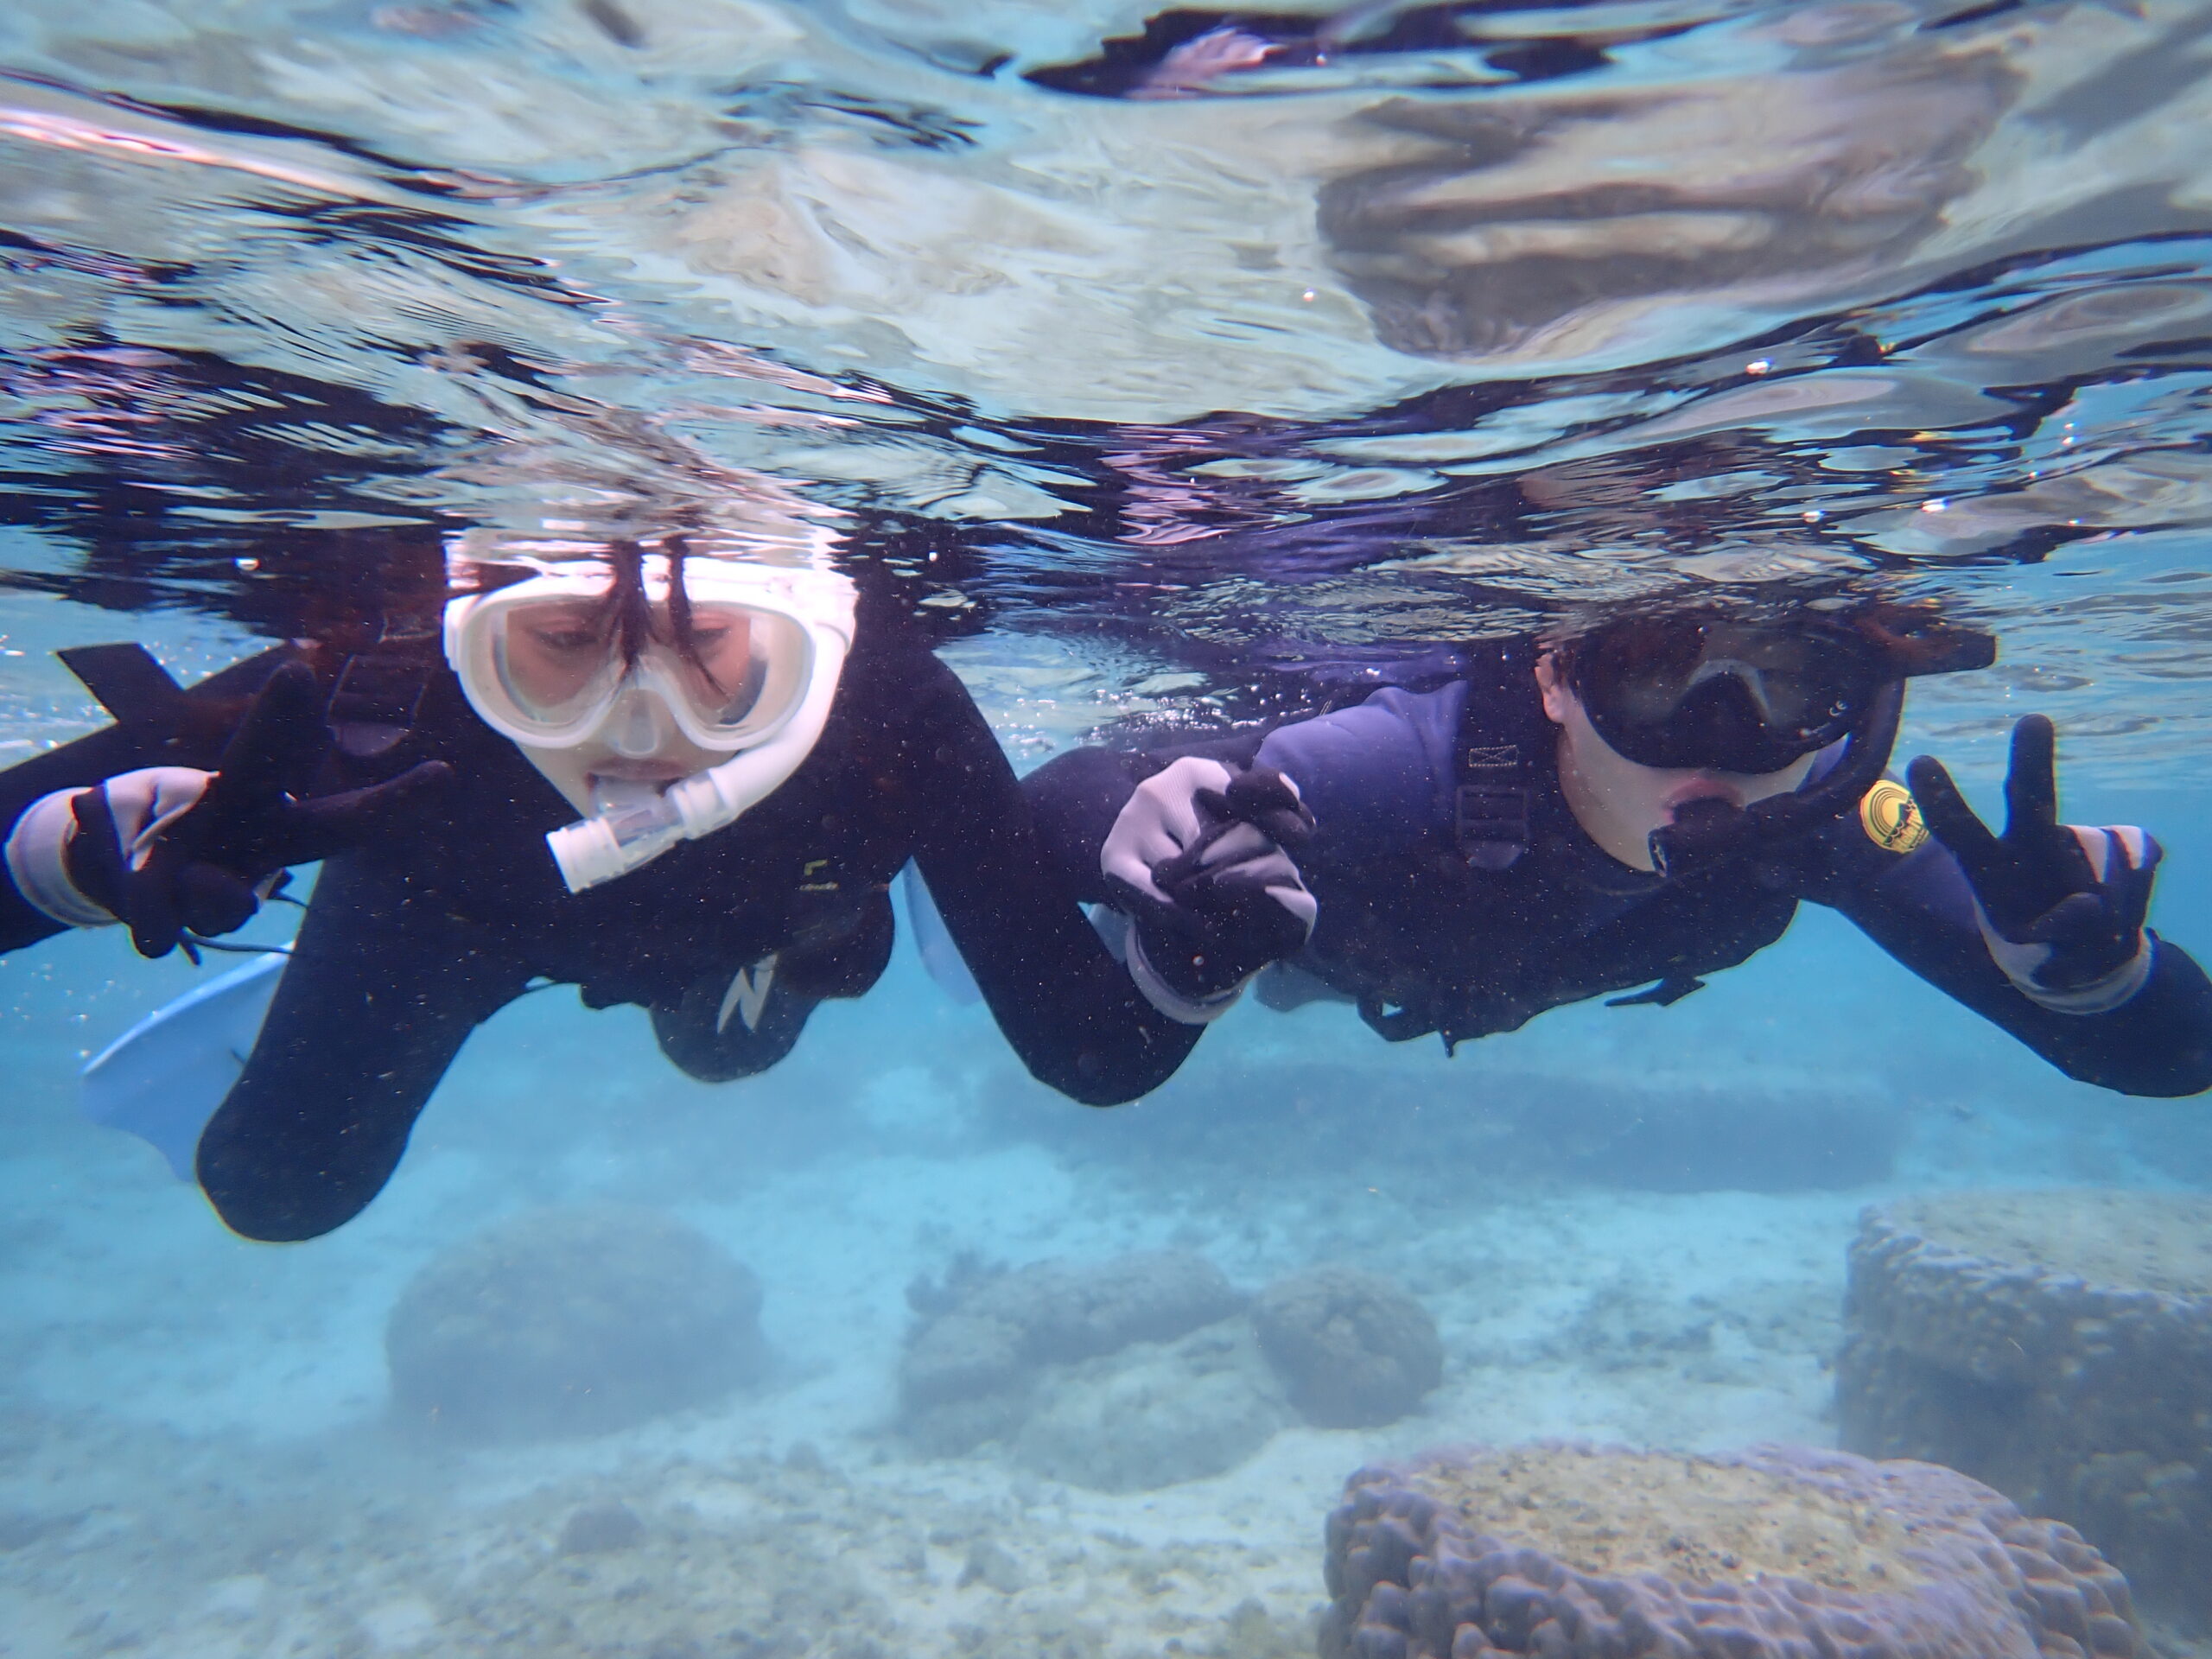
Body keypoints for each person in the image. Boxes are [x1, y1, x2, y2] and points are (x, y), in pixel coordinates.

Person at [1, 531, 1217, 1241]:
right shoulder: (377, 696)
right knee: (280, 1190)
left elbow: (1092, 1056)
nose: (641, 733)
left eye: (711, 661)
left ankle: (823, 947)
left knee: (747, 1036)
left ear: (817, 642)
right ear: (469, 629)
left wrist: (1207, 946)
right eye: (561, 651)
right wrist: (80, 853)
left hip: (792, 911)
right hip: (474, 922)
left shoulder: (890, 709)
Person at [1023, 600, 2212, 1097]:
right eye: (1656, 672)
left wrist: (2092, 972)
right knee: (1263, 966)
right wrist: (1166, 860)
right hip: (1325, 951)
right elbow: (1064, 798)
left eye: (1790, 683)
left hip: (1467, 974)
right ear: (1556, 681)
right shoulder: (1431, 753)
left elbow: (2171, 1060)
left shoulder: (1825, 816)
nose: (1727, 740)